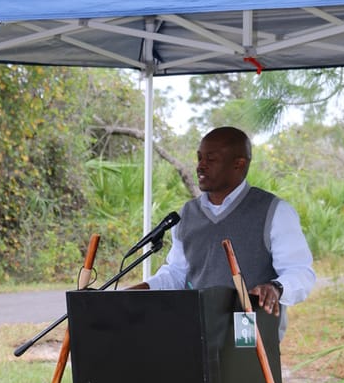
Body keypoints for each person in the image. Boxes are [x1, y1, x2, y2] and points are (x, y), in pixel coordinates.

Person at [131, 126, 315, 338]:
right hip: (195, 333)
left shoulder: (274, 211)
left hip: (248, 338)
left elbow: (301, 272)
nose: (200, 166)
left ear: (238, 164)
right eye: (199, 158)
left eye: (211, 159)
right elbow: (176, 274)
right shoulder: (187, 215)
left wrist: (276, 288)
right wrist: (137, 291)